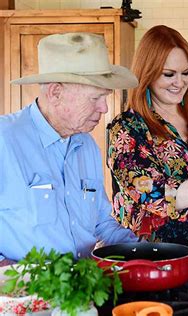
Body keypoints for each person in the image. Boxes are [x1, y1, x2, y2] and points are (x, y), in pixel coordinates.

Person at [0, 32, 140, 266]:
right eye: (95, 98)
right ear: (56, 93)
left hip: (81, 293)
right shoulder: (4, 140)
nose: (104, 108)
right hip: (21, 296)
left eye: (105, 97)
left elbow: (102, 225)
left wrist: (151, 253)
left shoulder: (87, 146)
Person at [107, 26, 188, 266]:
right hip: (156, 265)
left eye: (186, 73)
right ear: (147, 74)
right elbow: (156, 195)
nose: (180, 82)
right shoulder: (127, 130)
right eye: (169, 74)